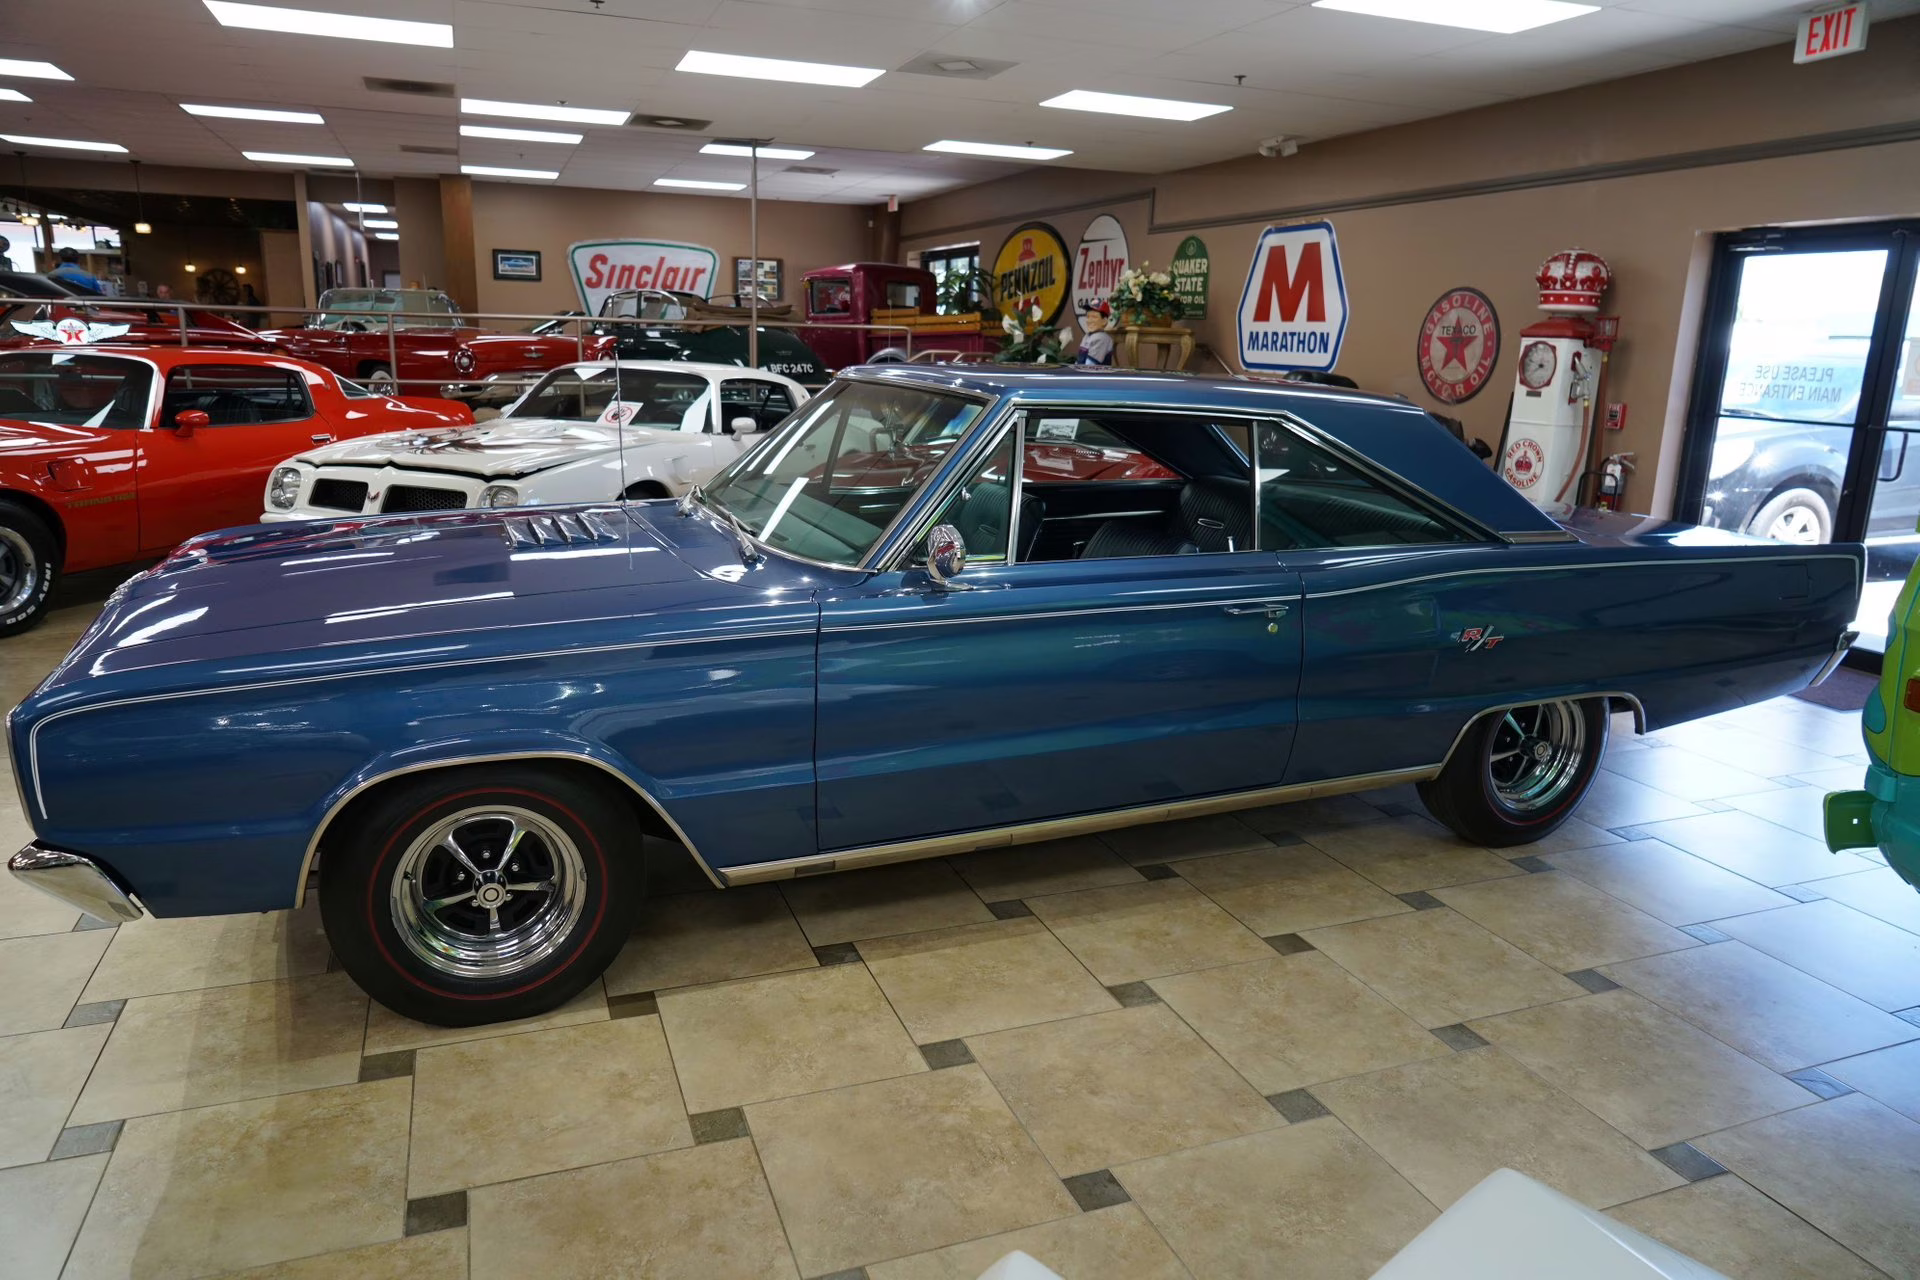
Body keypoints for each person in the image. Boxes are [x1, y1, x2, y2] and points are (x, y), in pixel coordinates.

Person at [1075, 299, 1115, 366]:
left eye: (1094, 317)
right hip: (1083, 374)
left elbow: (1090, 365)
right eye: (1088, 317)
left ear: (1104, 321)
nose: (1089, 321)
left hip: (1095, 375)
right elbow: (1079, 362)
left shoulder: (1102, 338)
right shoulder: (1087, 336)